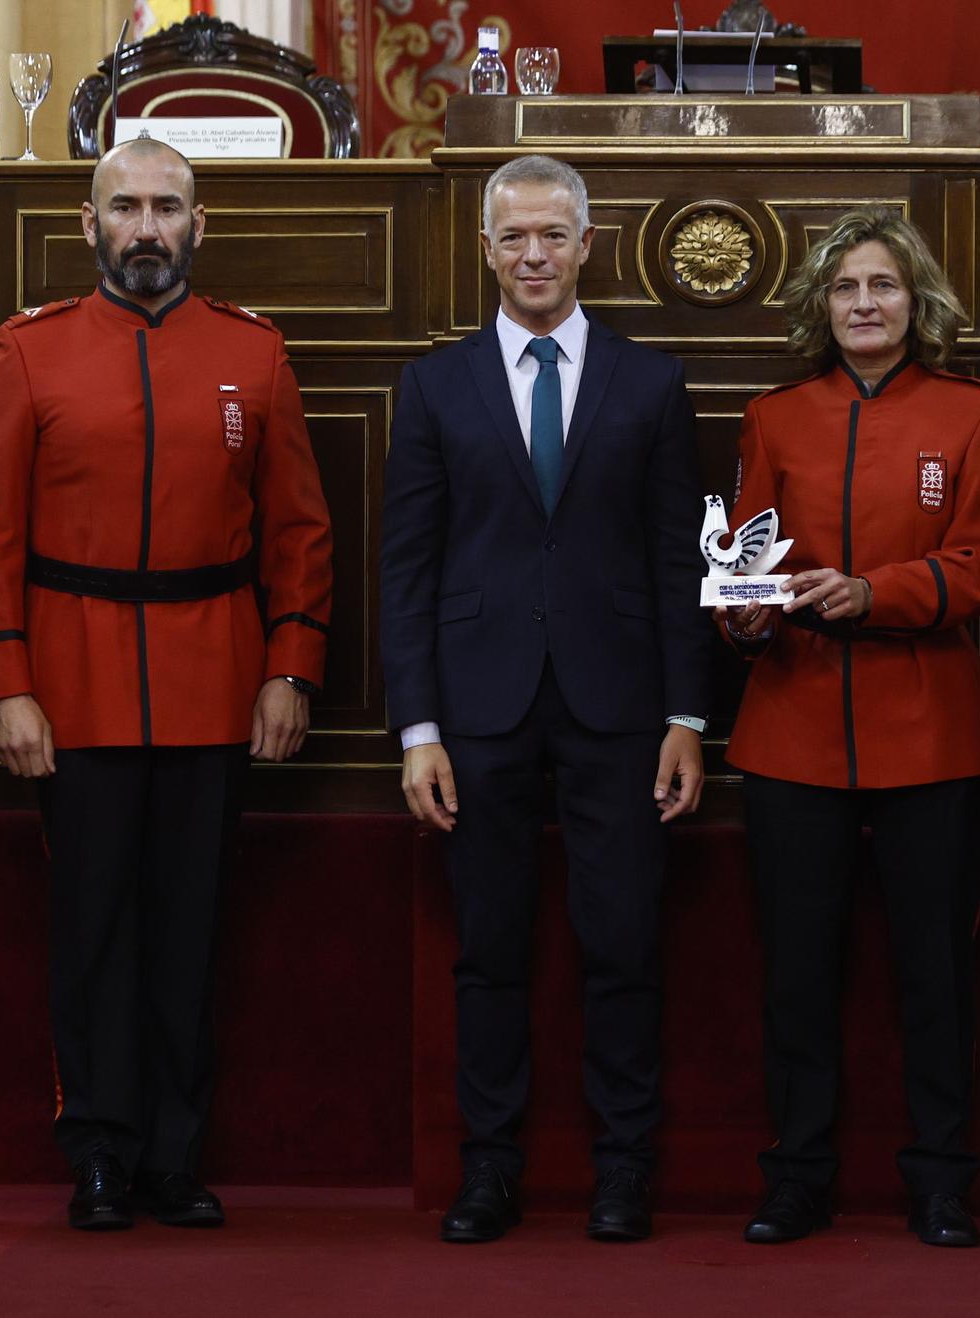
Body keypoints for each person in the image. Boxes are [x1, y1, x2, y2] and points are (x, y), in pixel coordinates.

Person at [0, 138, 332, 1232]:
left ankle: (174, 1153)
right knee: (93, 928)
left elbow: (300, 532)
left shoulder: (252, 354)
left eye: (167, 207)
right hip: (69, 683)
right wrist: (4, 685)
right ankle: (102, 1151)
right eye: (126, 207)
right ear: (90, 225)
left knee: (190, 926)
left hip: (215, 675)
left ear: (197, 225)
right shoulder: (29, 354)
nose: (147, 227)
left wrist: (289, 668)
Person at [379, 154, 713, 1244]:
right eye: (512, 237)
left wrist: (686, 715)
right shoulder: (434, 385)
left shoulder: (651, 384)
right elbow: (409, 567)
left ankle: (622, 1170)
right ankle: (490, 1171)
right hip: (476, 712)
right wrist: (417, 727)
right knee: (491, 948)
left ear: (585, 246)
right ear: (486, 249)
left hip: (620, 707)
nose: (532, 255)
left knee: (621, 943)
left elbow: (677, 564)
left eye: (551, 236)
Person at [715, 207, 980, 1248]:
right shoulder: (773, 413)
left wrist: (873, 591)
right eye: (844, 288)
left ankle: (938, 1179)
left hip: (928, 729)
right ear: (820, 305)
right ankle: (795, 1175)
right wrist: (745, 614)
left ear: (915, 299)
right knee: (795, 972)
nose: (862, 304)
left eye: (881, 285)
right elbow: (746, 559)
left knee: (935, 970)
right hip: (790, 727)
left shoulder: (976, 414)